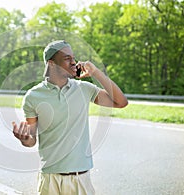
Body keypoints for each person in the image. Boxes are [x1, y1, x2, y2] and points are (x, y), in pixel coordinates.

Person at [12, 40, 128, 195]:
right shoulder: (33, 96)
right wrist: (24, 139)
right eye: (67, 58)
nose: (74, 62)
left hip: (80, 179)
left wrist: (95, 72)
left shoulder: (84, 89)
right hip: (49, 179)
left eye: (73, 58)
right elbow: (31, 140)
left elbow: (121, 102)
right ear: (51, 64)